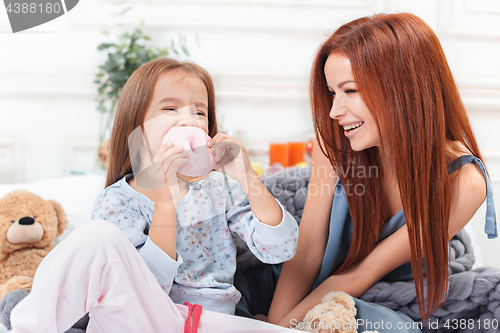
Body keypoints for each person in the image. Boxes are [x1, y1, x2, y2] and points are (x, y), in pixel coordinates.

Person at [9, 58, 299, 333]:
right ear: (138, 128)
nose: (190, 121)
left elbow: (280, 249)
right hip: (139, 318)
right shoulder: (118, 201)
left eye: (199, 112)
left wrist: (247, 177)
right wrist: (165, 201)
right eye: (170, 109)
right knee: (97, 236)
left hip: (211, 321)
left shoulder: (220, 189)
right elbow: (147, 285)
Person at [267, 12, 497, 332]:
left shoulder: (463, 181)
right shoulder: (332, 141)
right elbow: (306, 252)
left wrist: (283, 326)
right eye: (332, 93)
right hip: (310, 285)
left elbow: (364, 273)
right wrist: (277, 324)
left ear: (403, 87)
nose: (335, 111)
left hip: (376, 292)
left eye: (350, 91)